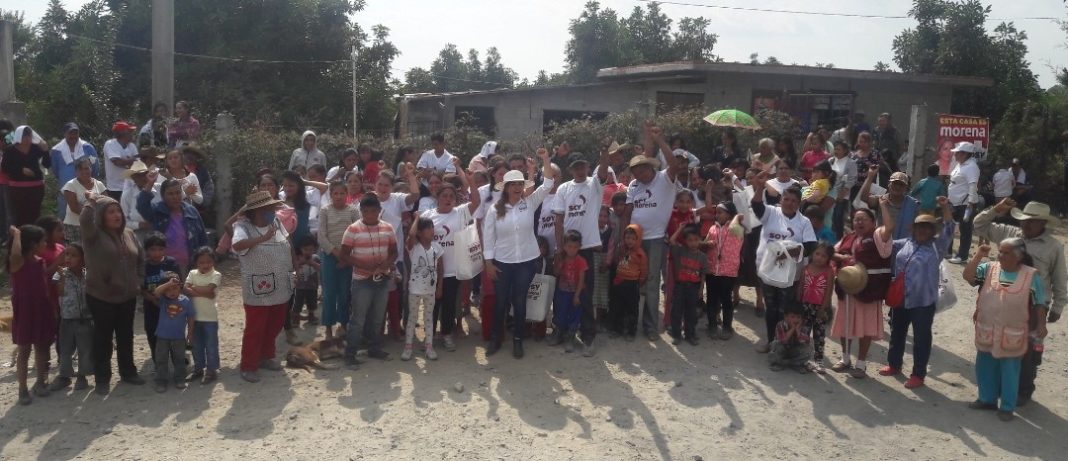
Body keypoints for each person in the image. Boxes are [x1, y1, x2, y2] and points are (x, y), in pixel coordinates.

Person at [972, 198, 1065, 406]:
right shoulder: (1009, 233)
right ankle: (996, 389)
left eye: (1034, 221)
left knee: (1026, 351)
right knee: (997, 342)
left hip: (1034, 305)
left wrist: (1058, 306)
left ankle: (1023, 390)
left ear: (1043, 224)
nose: (1027, 224)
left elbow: (1060, 279)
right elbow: (979, 225)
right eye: (1025, 220)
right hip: (1001, 300)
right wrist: (995, 210)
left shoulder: (1054, 247)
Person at [963, 239, 1048, 422]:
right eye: (1000, 251)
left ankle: (1007, 407)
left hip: (1013, 332)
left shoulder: (1030, 276)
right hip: (987, 329)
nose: (1000, 255)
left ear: (1019, 256)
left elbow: (1040, 302)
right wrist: (978, 255)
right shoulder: (989, 268)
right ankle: (987, 400)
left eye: (1006, 252)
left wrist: (1042, 324)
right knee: (985, 365)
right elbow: (968, 277)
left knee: (1010, 369)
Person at [483, 148, 555, 358]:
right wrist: (488, 263)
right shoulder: (494, 210)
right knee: (500, 301)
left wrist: (545, 159)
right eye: (512, 184)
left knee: (520, 300)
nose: (516, 187)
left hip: (526, 261)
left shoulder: (530, 203)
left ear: (523, 186)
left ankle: (518, 340)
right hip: (502, 262)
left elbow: (548, 183)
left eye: (518, 183)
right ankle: (496, 338)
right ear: (505, 188)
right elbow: (488, 238)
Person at [880, 199, 955, 388]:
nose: (923, 230)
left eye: (927, 228)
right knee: (897, 333)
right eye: (919, 227)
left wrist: (945, 206)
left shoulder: (937, 247)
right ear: (913, 229)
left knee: (921, 338)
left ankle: (918, 375)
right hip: (900, 299)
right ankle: (894, 365)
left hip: (923, 302)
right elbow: (883, 242)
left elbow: (950, 227)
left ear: (932, 231)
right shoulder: (903, 244)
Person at [622, 123, 684, 341]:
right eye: (635, 170)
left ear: (651, 167)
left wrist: (659, 140)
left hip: (655, 240)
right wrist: (624, 239)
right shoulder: (633, 186)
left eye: (642, 169)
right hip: (633, 240)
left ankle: (649, 326)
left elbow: (675, 165)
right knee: (629, 280)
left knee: (650, 283)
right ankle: (629, 323)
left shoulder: (664, 179)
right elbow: (627, 213)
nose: (639, 173)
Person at [80, 193, 146, 394]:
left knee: (126, 335)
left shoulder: (129, 234)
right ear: (101, 216)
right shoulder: (93, 235)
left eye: (117, 210)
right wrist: (91, 201)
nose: (116, 215)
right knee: (103, 337)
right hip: (101, 295)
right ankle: (102, 378)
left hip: (127, 295)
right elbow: (84, 220)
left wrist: (139, 282)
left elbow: (141, 260)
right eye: (110, 212)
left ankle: (128, 372)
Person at [551, 145, 609, 354]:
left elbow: (603, 171)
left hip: (585, 250)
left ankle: (588, 337)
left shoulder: (594, 185)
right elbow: (558, 219)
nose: (580, 170)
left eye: (583, 166)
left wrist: (604, 152)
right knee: (562, 294)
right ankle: (562, 331)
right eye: (576, 167)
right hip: (567, 249)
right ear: (570, 170)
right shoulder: (563, 189)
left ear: (587, 167)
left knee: (584, 295)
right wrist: (559, 248)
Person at [750, 176, 817, 354]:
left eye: (794, 201)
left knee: (784, 310)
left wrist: (786, 253)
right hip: (767, 270)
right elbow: (756, 206)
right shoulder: (771, 212)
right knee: (771, 307)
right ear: (781, 199)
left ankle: (785, 345)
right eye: (786, 199)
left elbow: (810, 246)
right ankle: (771, 342)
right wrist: (759, 187)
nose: (789, 203)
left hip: (789, 275)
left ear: (799, 203)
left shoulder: (804, 222)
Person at [232, 190, 294, 383]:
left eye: (271, 208)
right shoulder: (243, 226)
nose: (270, 212)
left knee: (275, 323)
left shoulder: (276, 223)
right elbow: (238, 245)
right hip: (258, 287)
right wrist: (263, 238)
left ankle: (267, 356)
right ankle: (249, 365)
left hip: (281, 284)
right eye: (266, 209)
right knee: (255, 327)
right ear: (254, 212)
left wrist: (295, 268)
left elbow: (288, 243)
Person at [829, 197, 894, 378]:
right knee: (844, 324)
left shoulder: (876, 237)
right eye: (856, 219)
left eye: (863, 219)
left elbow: (889, 227)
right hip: (847, 289)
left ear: (873, 223)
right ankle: (845, 358)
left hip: (869, 290)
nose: (859, 222)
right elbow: (831, 252)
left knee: (866, 328)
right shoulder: (849, 238)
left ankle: (861, 363)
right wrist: (842, 259)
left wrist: (882, 205)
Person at [420, 159, 479, 352]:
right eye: (444, 195)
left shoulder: (461, 213)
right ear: (437, 197)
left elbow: (476, 202)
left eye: (451, 196)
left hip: (453, 270)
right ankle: (430, 336)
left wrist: (470, 182)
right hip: (431, 269)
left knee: (448, 305)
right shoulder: (428, 215)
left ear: (455, 199)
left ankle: (446, 334)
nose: (448, 199)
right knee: (432, 305)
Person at [340, 194, 398, 368]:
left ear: (379, 211)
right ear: (361, 212)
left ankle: (374, 348)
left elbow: (394, 251)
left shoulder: (387, 227)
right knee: (358, 318)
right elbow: (344, 255)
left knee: (378, 317)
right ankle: (350, 354)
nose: (370, 215)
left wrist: (386, 264)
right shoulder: (353, 229)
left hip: (382, 278)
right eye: (366, 212)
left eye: (374, 211)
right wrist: (365, 265)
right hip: (362, 280)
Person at [6, 224, 58, 405]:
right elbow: (14, 254)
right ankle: (22, 389)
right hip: (26, 310)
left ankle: (40, 382)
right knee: (24, 350)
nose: (46, 243)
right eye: (43, 241)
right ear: (33, 244)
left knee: (42, 347)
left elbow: (47, 276)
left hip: (41, 308)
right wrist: (18, 234)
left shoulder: (40, 261)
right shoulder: (18, 262)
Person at [138, 179, 208, 273]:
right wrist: (149, 184)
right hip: (163, 267)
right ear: (163, 196)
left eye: (178, 193)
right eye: (170, 194)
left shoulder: (191, 211)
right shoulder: (157, 211)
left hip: (189, 266)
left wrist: (204, 261)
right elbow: (142, 206)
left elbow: (202, 238)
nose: (175, 197)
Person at [317, 181, 359, 341]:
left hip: (348, 257)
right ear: (331, 194)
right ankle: (328, 327)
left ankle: (343, 324)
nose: (339, 196)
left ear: (346, 194)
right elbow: (321, 236)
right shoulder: (325, 211)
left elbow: (358, 232)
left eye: (342, 193)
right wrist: (336, 254)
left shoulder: (353, 211)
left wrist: (346, 256)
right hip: (329, 256)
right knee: (329, 293)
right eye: (336, 193)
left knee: (345, 292)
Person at [48, 243, 92, 392]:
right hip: (67, 319)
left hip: (85, 319)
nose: (69, 258)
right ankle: (64, 376)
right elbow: (60, 292)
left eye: (73, 255)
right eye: (67, 254)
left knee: (84, 349)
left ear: (82, 259)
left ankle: (82, 376)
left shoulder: (87, 274)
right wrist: (61, 278)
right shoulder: (61, 274)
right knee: (66, 349)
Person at [403, 217, 444, 361]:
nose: (431, 231)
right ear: (420, 232)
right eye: (427, 228)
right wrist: (417, 217)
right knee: (412, 318)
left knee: (429, 318)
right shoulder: (413, 247)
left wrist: (439, 287)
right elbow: (411, 235)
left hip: (430, 290)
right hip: (415, 289)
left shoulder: (437, 247)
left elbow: (441, 268)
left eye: (432, 227)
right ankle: (408, 346)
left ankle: (429, 347)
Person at [704, 201, 743, 340]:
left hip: (728, 271)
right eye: (716, 212)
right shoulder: (712, 228)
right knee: (711, 299)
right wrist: (706, 243)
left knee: (726, 299)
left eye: (721, 212)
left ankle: (727, 326)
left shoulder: (736, 228)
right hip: (712, 270)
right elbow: (705, 243)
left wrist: (736, 217)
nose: (717, 215)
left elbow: (743, 217)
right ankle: (712, 325)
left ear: (730, 214)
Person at [150, 273, 195, 392]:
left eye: (174, 288)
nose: (172, 291)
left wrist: (190, 334)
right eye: (168, 289)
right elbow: (156, 292)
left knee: (179, 358)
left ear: (180, 287)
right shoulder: (163, 300)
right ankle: (161, 381)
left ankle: (180, 378)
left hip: (179, 337)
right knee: (161, 358)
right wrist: (169, 284)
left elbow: (190, 318)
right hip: (162, 336)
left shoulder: (186, 301)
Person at [141, 232, 181, 358]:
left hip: (170, 306)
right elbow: (141, 288)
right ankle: (158, 363)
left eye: (160, 249)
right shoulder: (144, 266)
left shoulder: (171, 263)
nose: (157, 253)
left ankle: (177, 361)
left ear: (165, 249)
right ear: (147, 250)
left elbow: (178, 284)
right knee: (153, 334)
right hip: (151, 308)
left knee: (174, 334)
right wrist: (152, 298)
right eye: (153, 249)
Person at [185, 247, 222, 384]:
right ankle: (198, 369)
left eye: (208, 262)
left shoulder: (216, 275)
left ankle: (212, 370)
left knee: (211, 345)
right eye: (201, 262)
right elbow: (185, 288)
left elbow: (210, 290)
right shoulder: (192, 273)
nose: (205, 265)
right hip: (194, 317)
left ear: (213, 262)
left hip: (210, 317)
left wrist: (194, 289)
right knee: (196, 345)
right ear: (196, 263)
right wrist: (205, 293)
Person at [2, 126, 51, 226]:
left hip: (36, 187)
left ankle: (35, 238)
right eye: (25, 136)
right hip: (17, 189)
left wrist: (46, 151)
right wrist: (21, 170)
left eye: (29, 136)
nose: (27, 139)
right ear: (19, 136)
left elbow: (47, 164)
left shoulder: (36, 148)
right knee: (19, 215)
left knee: (35, 214)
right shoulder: (10, 150)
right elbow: (5, 168)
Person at [797, 242, 835, 373]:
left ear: (828, 258)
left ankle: (819, 360)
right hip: (804, 306)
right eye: (817, 254)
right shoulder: (805, 269)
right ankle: (804, 359)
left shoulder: (829, 271)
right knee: (804, 334)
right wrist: (797, 305)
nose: (819, 257)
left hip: (820, 308)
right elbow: (801, 287)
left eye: (823, 256)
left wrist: (823, 309)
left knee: (819, 336)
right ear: (812, 254)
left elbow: (829, 292)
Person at [668, 224, 708, 346]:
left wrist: (701, 289)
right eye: (690, 240)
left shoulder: (702, 257)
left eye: (696, 240)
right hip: (680, 286)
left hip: (694, 287)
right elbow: (671, 241)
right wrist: (680, 228)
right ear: (685, 241)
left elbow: (703, 275)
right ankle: (676, 335)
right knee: (677, 311)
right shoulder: (680, 251)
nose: (693, 243)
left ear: (700, 239)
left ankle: (690, 334)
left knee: (691, 312)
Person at [50, 123, 99, 220]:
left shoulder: (88, 148)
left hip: (86, 190)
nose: (73, 136)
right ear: (64, 134)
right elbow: (55, 170)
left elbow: (95, 168)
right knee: (65, 216)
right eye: (70, 133)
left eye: (75, 133)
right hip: (66, 191)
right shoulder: (56, 151)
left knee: (87, 216)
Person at [552, 230, 589, 353]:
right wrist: (559, 264)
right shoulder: (561, 258)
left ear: (580, 247)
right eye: (569, 246)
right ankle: (559, 335)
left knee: (574, 316)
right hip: (562, 292)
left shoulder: (581, 261)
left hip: (575, 293)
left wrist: (577, 295)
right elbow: (556, 274)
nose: (572, 249)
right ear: (564, 246)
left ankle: (570, 338)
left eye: (575, 247)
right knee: (561, 314)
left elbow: (581, 279)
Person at [859, 166, 920, 240]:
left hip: (903, 246)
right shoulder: (881, 200)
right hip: (882, 244)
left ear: (906, 188)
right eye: (895, 183)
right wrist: (870, 177)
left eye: (901, 185)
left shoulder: (913, 205)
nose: (897, 187)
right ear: (889, 184)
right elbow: (864, 197)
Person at [947, 142, 981, 264]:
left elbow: (973, 186)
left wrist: (970, 204)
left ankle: (962, 256)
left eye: (957, 153)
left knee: (965, 230)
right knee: (949, 227)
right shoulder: (959, 165)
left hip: (965, 204)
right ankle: (947, 251)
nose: (955, 155)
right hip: (954, 203)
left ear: (965, 154)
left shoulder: (971, 167)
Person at [611, 224, 647, 340]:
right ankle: (617, 329)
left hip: (632, 284)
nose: (629, 241)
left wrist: (640, 282)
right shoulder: (621, 249)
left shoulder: (640, 254)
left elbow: (644, 269)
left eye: (633, 238)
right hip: (619, 282)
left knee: (632, 308)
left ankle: (631, 331)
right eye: (627, 238)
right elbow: (616, 261)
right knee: (618, 307)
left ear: (638, 239)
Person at [60, 158, 107, 244]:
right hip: (75, 226)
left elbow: (106, 203)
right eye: (80, 169)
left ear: (91, 169)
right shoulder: (70, 185)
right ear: (76, 171)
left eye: (86, 168)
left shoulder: (99, 184)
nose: (84, 171)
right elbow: (74, 207)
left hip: (95, 226)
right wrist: (94, 214)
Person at [768, 303, 813, 372]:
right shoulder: (780, 325)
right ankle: (778, 364)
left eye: (798, 317)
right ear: (786, 317)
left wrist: (798, 331)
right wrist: (792, 329)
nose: (796, 319)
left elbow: (806, 341)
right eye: (792, 317)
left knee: (809, 348)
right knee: (776, 344)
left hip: (794, 351)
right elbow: (782, 340)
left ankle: (795, 364)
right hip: (782, 349)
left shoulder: (803, 327)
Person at [103, 121, 139, 201]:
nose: (132, 133)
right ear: (122, 133)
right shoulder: (110, 144)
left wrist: (129, 161)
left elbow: (138, 164)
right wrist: (132, 160)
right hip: (115, 188)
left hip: (131, 186)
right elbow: (117, 162)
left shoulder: (132, 146)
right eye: (129, 131)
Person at [829, 141, 858, 239]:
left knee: (838, 217)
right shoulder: (831, 161)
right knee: (830, 217)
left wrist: (842, 194)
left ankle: (839, 239)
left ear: (845, 150)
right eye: (835, 149)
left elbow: (852, 179)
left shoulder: (851, 163)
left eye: (839, 149)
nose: (836, 151)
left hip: (842, 195)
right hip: (830, 193)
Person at [293, 236, 321, 324]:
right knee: (297, 302)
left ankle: (311, 315)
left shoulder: (315, 257)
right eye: (305, 249)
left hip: (312, 286)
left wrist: (312, 263)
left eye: (311, 249)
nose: (308, 252)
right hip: (299, 286)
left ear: (315, 249)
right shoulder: (297, 258)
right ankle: (295, 317)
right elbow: (293, 266)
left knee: (312, 301)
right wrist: (300, 262)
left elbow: (320, 268)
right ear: (300, 248)